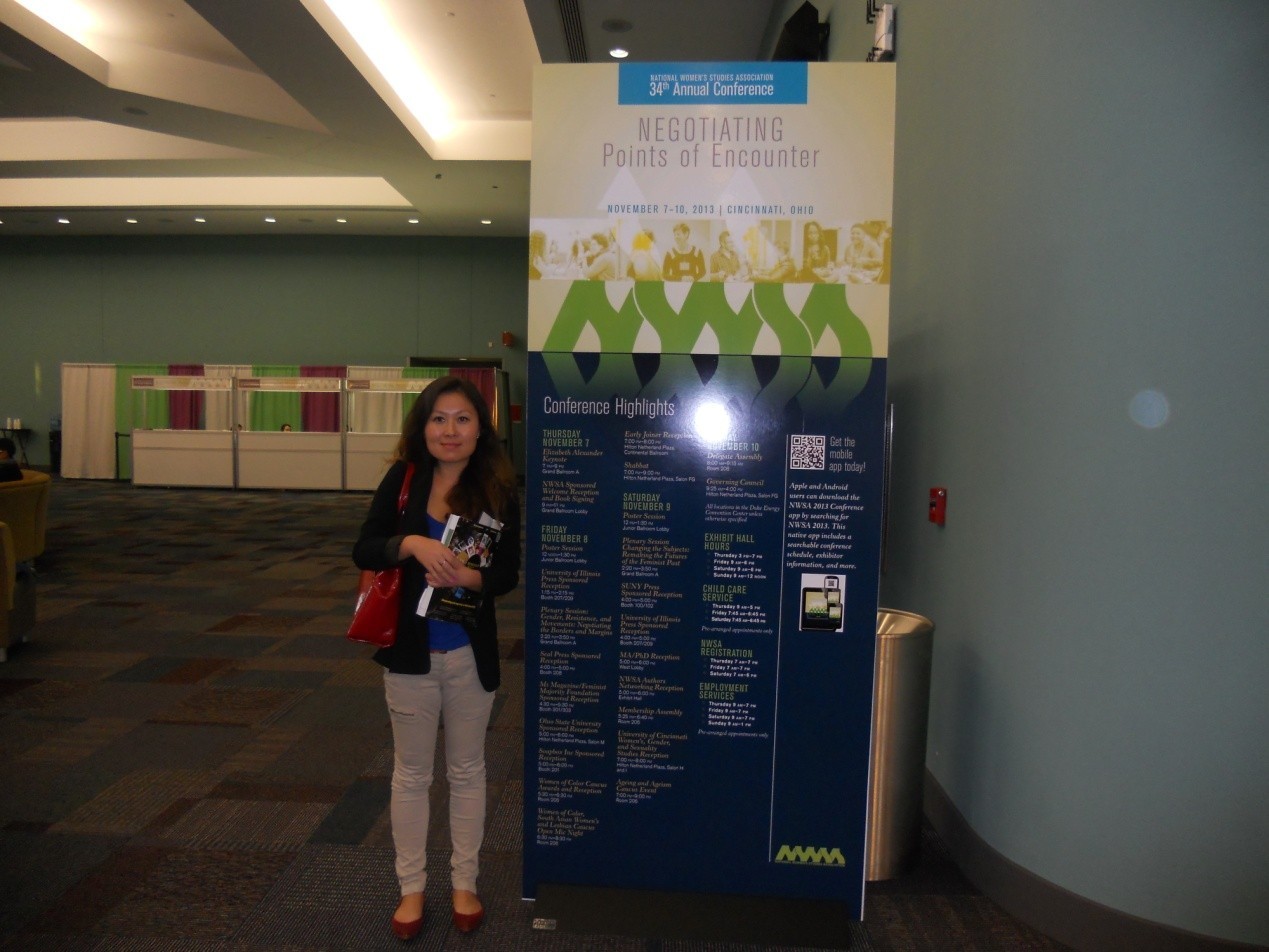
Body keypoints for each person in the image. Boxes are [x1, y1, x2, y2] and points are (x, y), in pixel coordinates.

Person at [352, 375, 521, 941]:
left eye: (463, 419)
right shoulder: (403, 480)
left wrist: (465, 577)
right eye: (439, 419)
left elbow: (506, 573)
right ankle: (412, 888)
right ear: (422, 428)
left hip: (470, 655)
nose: (450, 430)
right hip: (411, 657)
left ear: (480, 430)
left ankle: (464, 882)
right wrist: (412, 544)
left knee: (468, 771)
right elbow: (364, 547)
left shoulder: (496, 489)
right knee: (412, 775)